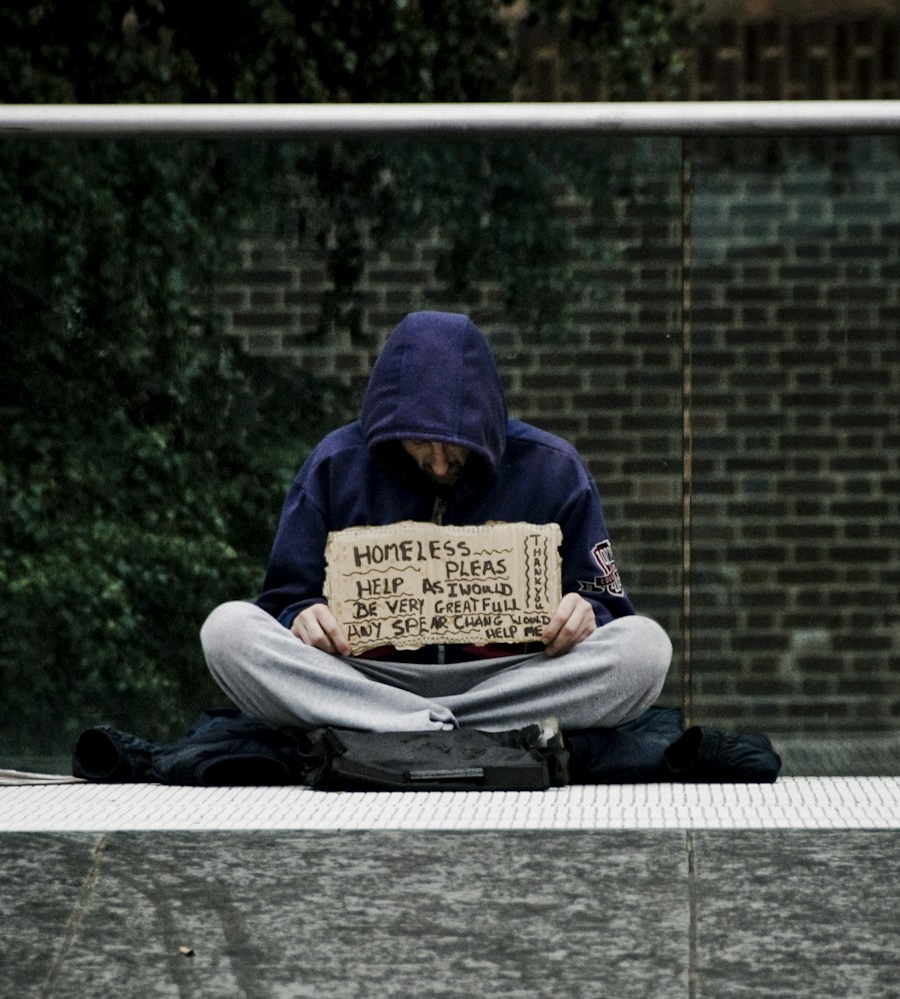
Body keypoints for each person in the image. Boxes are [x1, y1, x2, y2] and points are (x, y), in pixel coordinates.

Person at [202, 310, 671, 733]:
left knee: (644, 648)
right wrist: (300, 616)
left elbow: (608, 610)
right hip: (364, 679)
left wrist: (586, 614)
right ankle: (422, 721)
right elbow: (284, 599)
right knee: (228, 631)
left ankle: (416, 726)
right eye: (422, 446)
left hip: (512, 680)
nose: (442, 465)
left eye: (456, 446)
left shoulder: (553, 469)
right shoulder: (335, 466)